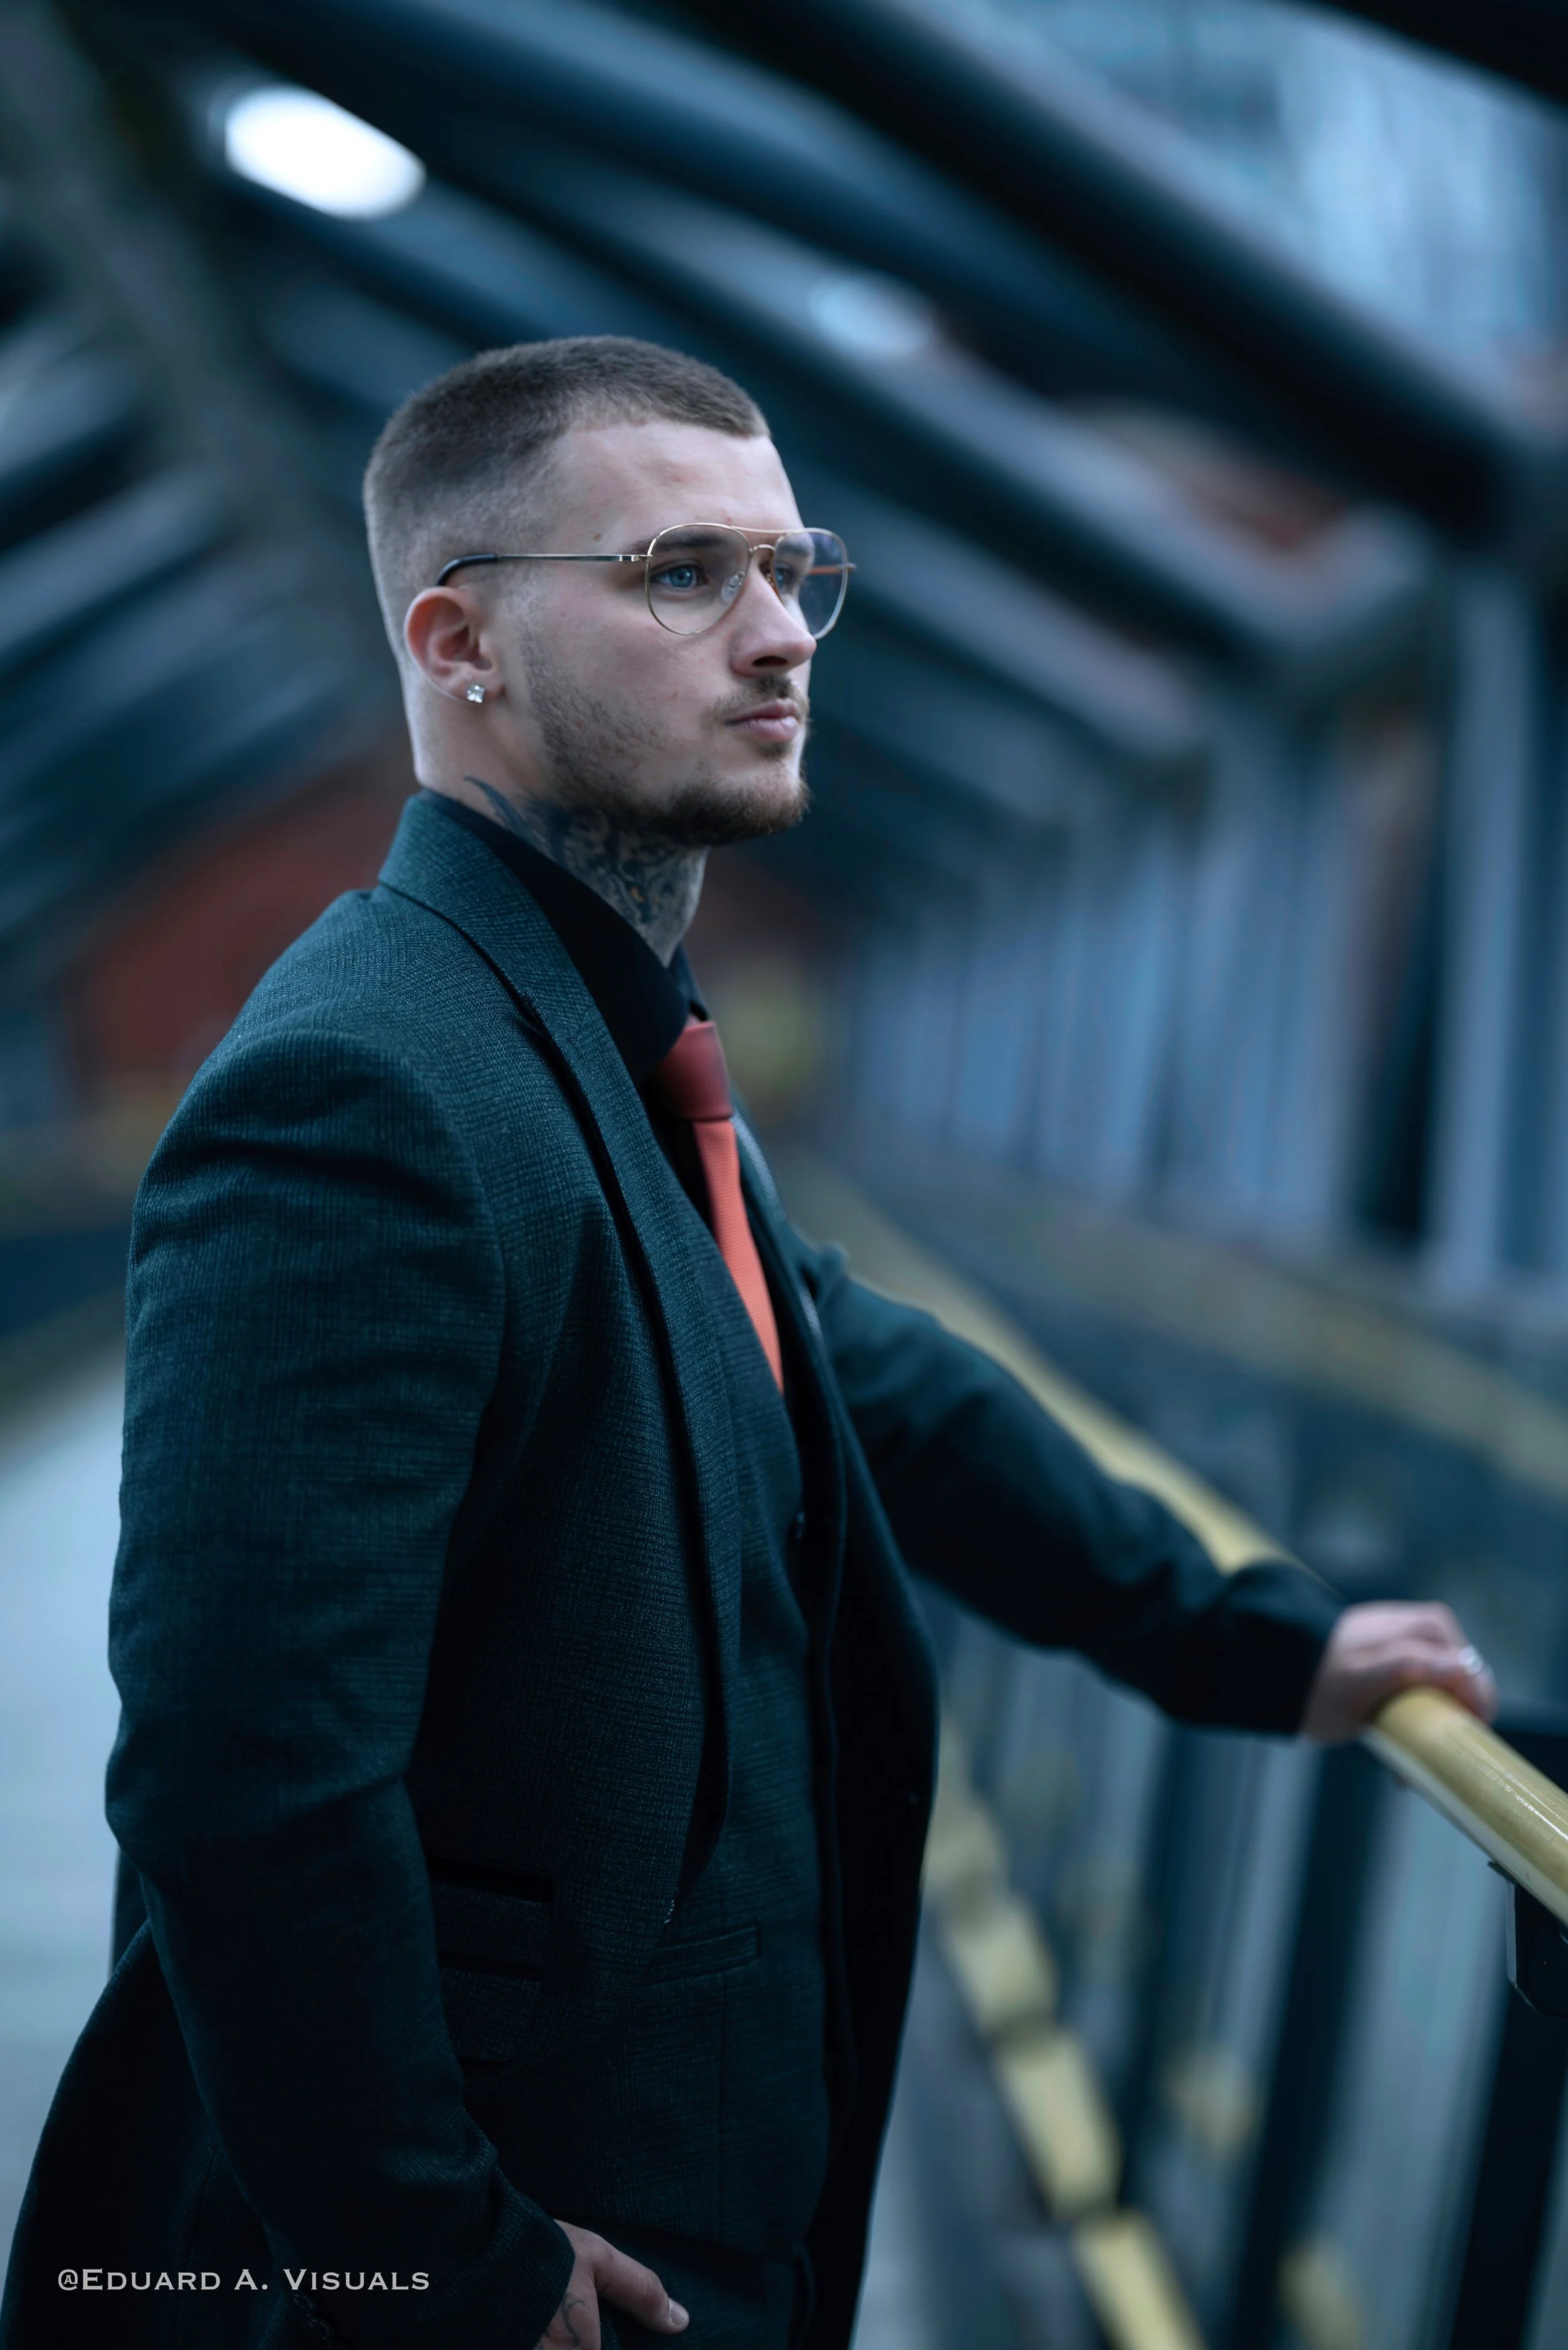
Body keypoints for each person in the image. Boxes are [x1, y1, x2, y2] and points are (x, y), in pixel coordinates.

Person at [0, 337, 1496, 2350]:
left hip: (689, 2184)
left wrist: (1254, 1638)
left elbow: (853, 1366)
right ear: (458, 641)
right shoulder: (362, 1087)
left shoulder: (591, 1028)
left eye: (796, 571)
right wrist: (436, 2250)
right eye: (680, 576)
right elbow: (238, 1773)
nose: (779, 634)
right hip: (531, 2241)